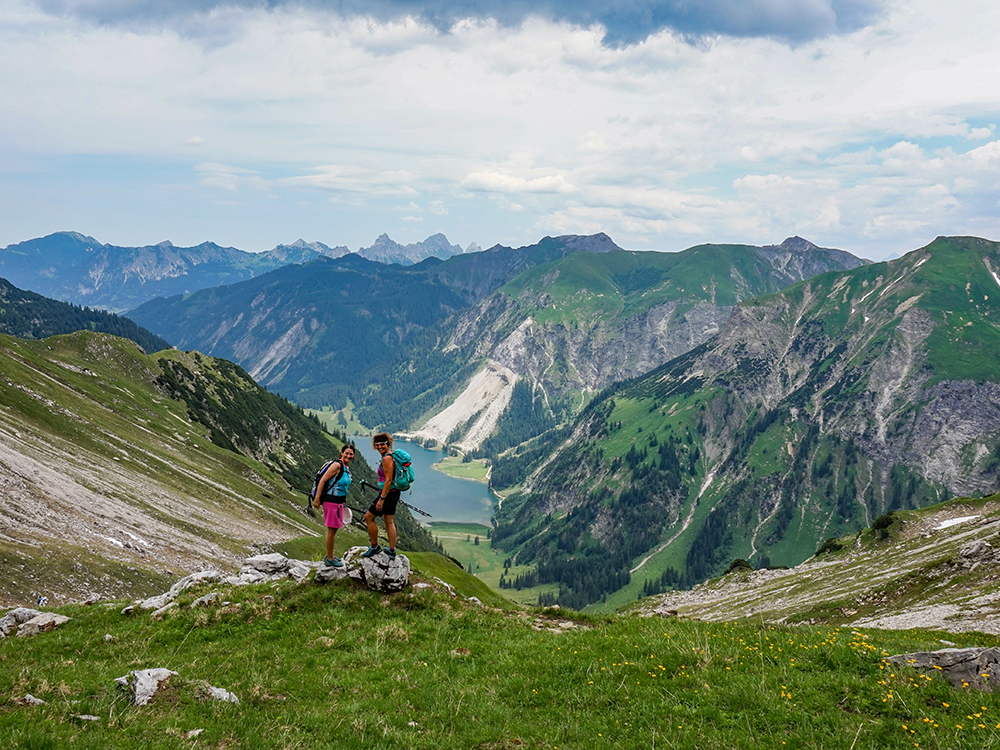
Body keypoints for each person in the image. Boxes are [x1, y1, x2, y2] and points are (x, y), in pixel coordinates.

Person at [312, 444, 355, 567]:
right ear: (341, 453)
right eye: (346, 453)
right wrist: (317, 499)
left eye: (351, 454)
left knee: (334, 530)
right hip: (331, 502)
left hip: (338, 502)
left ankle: (330, 555)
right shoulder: (337, 465)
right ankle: (330, 558)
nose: (348, 456)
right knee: (331, 531)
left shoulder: (345, 467)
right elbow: (323, 480)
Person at [362, 432, 399, 559]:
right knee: (389, 521)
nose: (379, 447)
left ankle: (374, 547)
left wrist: (381, 499)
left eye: (382, 444)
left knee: (368, 517)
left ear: (387, 444)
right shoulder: (391, 456)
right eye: (377, 445)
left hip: (387, 494)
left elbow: (388, 480)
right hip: (394, 493)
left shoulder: (387, 459)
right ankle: (392, 550)